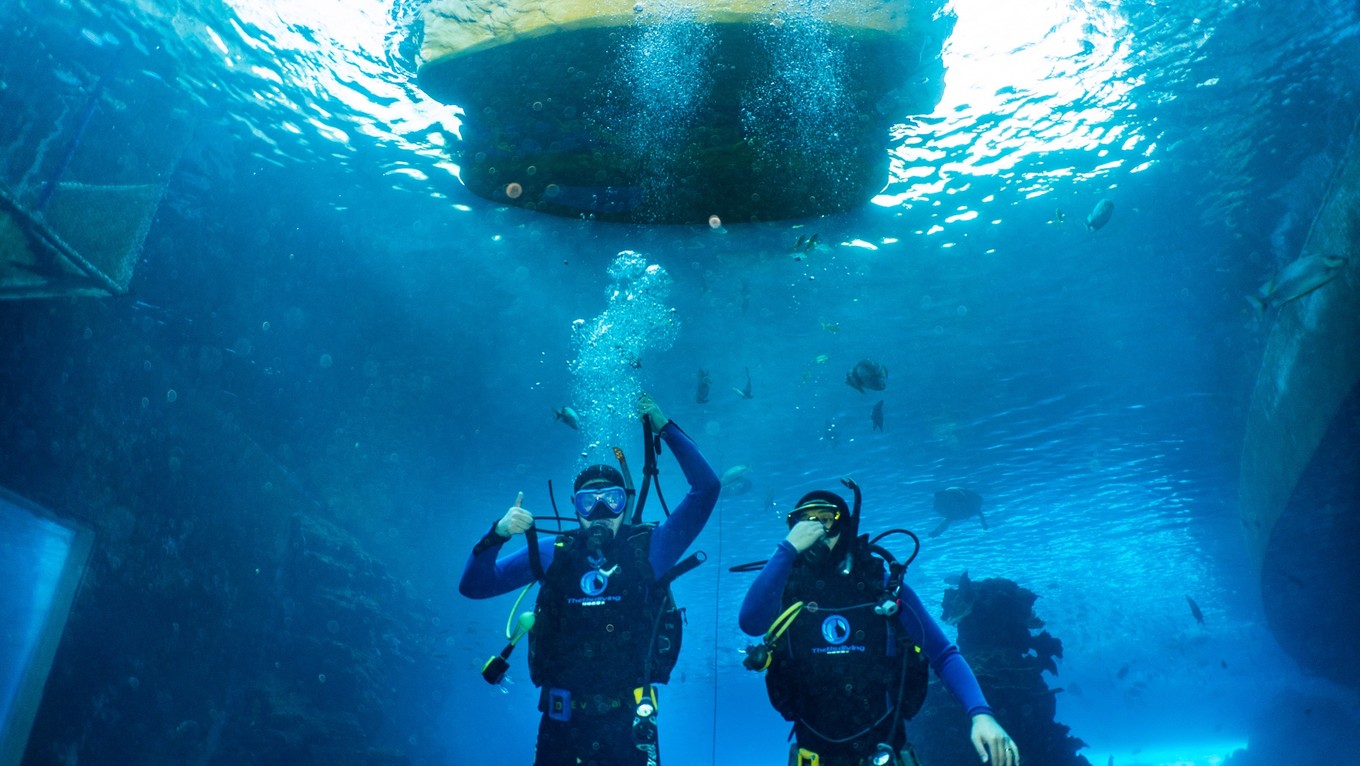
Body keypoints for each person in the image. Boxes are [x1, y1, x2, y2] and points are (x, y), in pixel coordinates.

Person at [460, 393, 720, 766]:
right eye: (588, 502)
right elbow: (474, 587)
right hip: (560, 725)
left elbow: (706, 489)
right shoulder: (554, 552)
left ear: (625, 504)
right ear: (575, 507)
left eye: (611, 501)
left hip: (630, 725)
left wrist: (664, 426)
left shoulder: (649, 549)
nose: (600, 512)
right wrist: (497, 534)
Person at [739, 487, 1021, 766]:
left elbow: (943, 653)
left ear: (844, 526)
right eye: (803, 522)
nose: (813, 530)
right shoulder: (784, 590)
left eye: (825, 519)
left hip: (884, 754)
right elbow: (750, 622)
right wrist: (786, 550)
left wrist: (981, 713)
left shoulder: (882, 586)